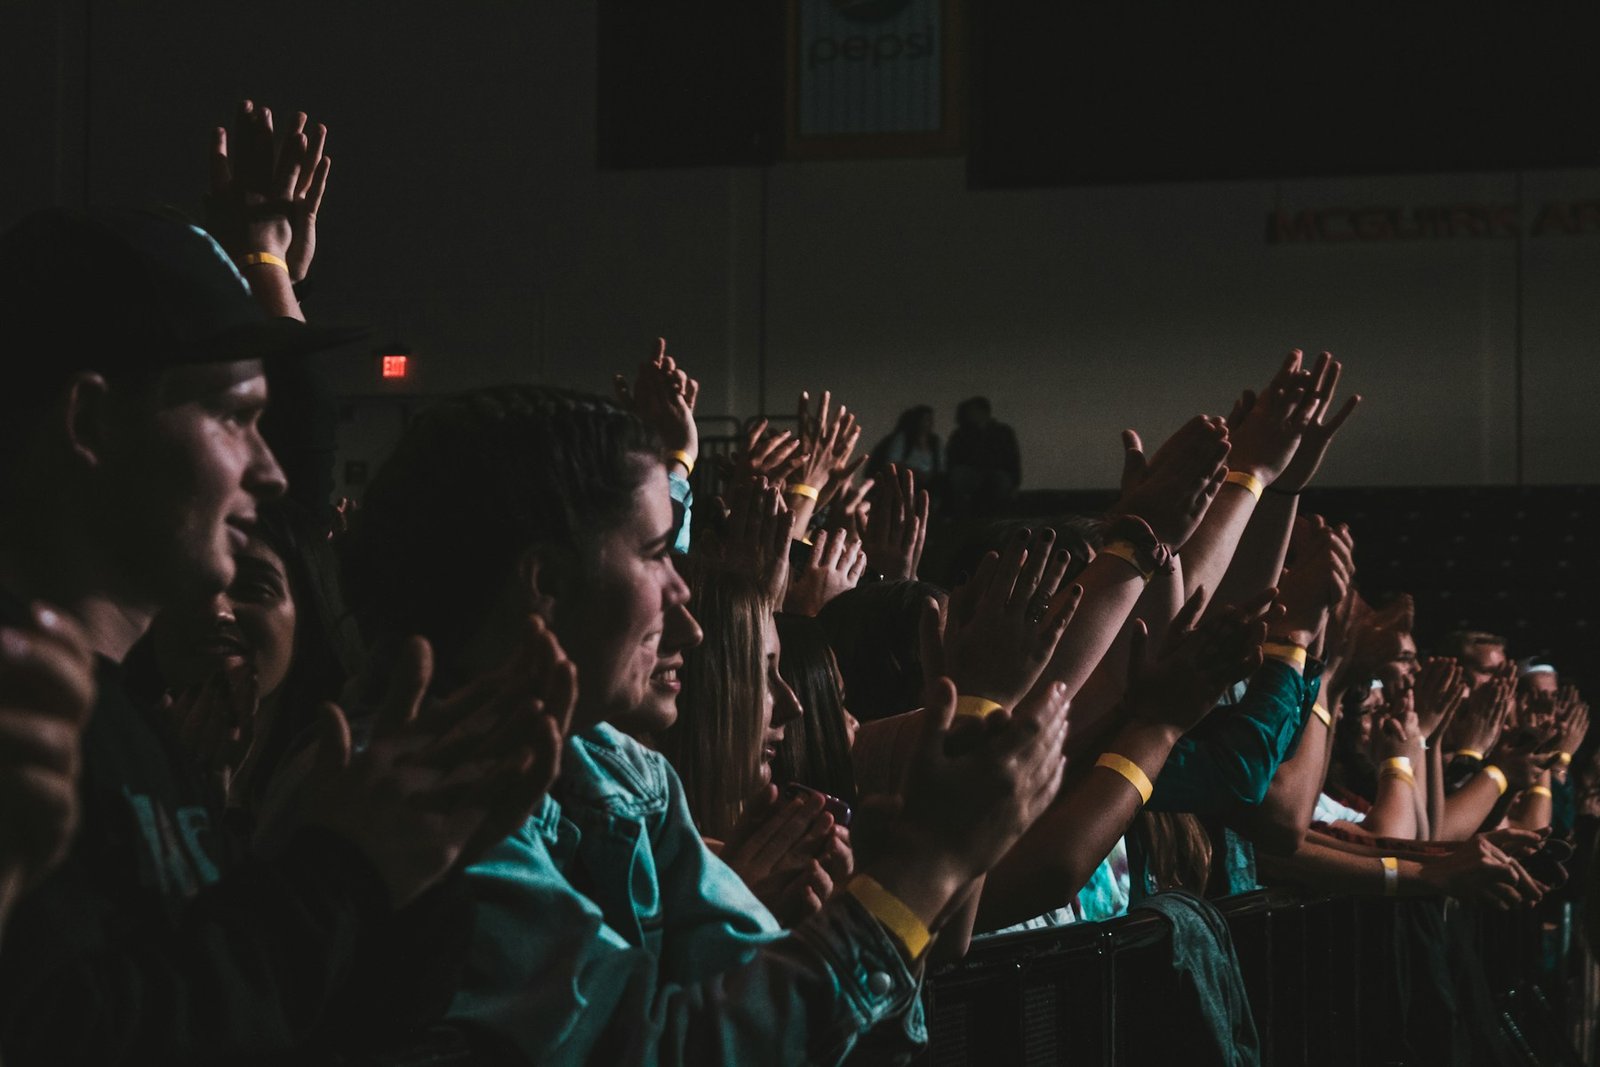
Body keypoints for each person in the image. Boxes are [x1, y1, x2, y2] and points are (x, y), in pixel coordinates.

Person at [339, 383, 1073, 1064]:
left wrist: (872, 894)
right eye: (659, 553)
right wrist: (924, 869)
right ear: (546, 583)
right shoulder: (412, 810)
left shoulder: (624, 770)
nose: (687, 615)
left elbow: (801, 1020)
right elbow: (670, 1050)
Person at [0, 206, 559, 1065]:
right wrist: (336, 873)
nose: (271, 469)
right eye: (235, 417)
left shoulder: (136, 726)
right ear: (92, 425)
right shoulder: (24, 719)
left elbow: (288, 1031)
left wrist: (408, 876)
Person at [944, 396, 1021, 515]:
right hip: (972, 472)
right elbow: (953, 458)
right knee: (958, 476)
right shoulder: (961, 434)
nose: (969, 414)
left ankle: (997, 517)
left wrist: (1015, 482)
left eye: (973, 411)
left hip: (996, 472)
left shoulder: (1003, 432)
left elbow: (1012, 457)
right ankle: (959, 516)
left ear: (983, 411)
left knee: (1001, 481)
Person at [872, 406, 942, 484]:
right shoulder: (903, 439)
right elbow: (892, 462)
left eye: (930, 419)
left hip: (931, 483)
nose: (929, 423)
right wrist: (914, 472)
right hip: (904, 480)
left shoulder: (935, 442)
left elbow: (941, 467)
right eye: (925, 419)